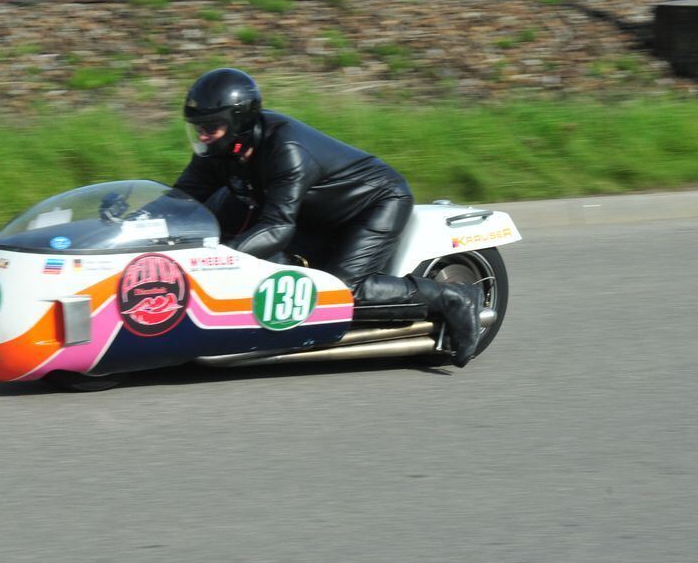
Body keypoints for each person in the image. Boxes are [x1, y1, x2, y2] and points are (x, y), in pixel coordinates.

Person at [173, 67, 484, 368]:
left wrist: (219, 261)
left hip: (374, 204)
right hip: (315, 213)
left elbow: (278, 227)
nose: (202, 135)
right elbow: (180, 200)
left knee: (343, 293)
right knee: (235, 226)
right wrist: (132, 219)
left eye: (210, 127)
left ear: (237, 123)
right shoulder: (219, 151)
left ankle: (453, 298)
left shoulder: (286, 149)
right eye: (198, 127)